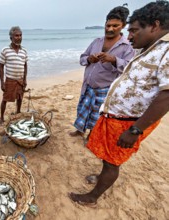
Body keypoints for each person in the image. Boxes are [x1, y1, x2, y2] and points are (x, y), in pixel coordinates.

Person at [69, 0, 169, 207]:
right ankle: (101, 175)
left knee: (113, 160)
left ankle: (92, 197)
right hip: (115, 115)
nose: (130, 35)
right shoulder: (149, 49)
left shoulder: (165, 52)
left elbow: (166, 94)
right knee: (108, 156)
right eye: (109, 24)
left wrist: (135, 130)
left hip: (128, 122)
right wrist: (91, 59)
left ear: (155, 25)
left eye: (133, 30)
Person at [69, 5, 134, 139]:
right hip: (88, 85)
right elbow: (82, 58)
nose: (110, 29)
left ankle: (92, 136)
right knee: (83, 109)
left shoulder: (127, 46)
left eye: (115, 26)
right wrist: (89, 59)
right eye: (108, 25)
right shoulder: (96, 42)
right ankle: (80, 131)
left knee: (97, 115)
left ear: (123, 26)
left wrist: (114, 59)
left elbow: (129, 68)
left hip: (105, 89)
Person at [0, 26, 28, 126]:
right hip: (10, 80)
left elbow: (25, 66)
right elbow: (1, 67)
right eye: (16, 35)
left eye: (20, 35)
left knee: (20, 98)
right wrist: (2, 82)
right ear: (11, 37)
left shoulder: (24, 51)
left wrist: (24, 79)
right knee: (5, 99)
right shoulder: (5, 50)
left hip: (20, 80)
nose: (19, 37)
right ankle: (1, 118)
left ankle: (18, 112)